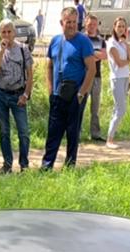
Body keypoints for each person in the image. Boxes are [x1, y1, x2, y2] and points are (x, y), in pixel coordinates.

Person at [41, 6, 97, 170]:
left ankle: (70, 165)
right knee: (54, 131)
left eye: (74, 22)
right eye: (68, 22)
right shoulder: (55, 41)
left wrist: (82, 93)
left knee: (73, 132)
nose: (72, 25)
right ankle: (47, 165)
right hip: (58, 94)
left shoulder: (83, 41)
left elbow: (91, 69)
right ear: (61, 22)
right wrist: (50, 89)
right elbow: (49, 66)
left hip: (76, 94)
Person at [0, 20, 35, 173]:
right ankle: (7, 165)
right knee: (4, 131)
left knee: (23, 132)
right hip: (1, 94)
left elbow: (30, 75)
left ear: (14, 33)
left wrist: (26, 94)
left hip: (18, 95)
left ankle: (24, 165)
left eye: (9, 31)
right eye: (3, 32)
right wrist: (2, 51)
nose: (7, 35)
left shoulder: (23, 49)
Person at [79, 16, 108, 142]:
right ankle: (77, 133)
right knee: (80, 106)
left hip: (97, 77)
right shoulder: (80, 38)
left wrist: (90, 54)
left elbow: (104, 55)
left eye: (94, 24)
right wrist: (94, 55)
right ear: (86, 24)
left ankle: (95, 133)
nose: (92, 26)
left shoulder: (101, 40)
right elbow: (81, 55)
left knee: (95, 107)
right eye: (90, 24)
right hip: (83, 77)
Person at [104, 16, 130, 149]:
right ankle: (109, 139)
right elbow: (119, 63)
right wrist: (128, 61)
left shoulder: (123, 43)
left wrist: (125, 44)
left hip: (125, 76)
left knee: (117, 108)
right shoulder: (111, 43)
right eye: (119, 26)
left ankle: (111, 136)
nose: (121, 29)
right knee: (121, 109)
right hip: (116, 78)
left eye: (123, 26)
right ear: (114, 27)